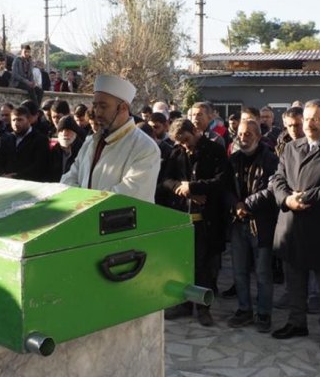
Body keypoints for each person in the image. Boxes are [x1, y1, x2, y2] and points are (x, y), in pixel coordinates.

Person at [269, 99, 320, 353]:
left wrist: (305, 198)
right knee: (294, 281)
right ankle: (297, 322)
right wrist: (287, 199)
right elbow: (278, 179)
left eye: (316, 119)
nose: (310, 123)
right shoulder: (291, 147)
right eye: (307, 118)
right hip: (292, 225)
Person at [161, 118, 230, 326]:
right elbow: (166, 180)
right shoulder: (176, 153)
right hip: (182, 217)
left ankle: (202, 308)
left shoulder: (214, 151)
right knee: (182, 264)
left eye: (187, 140)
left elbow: (222, 180)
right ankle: (183, 303)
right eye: (180, 142)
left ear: (195, 131)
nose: (185, 145)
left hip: (206, 220)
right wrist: (183, 190)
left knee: (203, 266)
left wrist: (194, 187)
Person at [61, 75, 161, 202]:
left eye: (103, 106)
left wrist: (82, 202)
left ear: (123, 108)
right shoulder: (90, 142)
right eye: (95, 106)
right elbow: (68, 180)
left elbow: (127, 197)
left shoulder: (145, 148)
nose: (97, 112)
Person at [226, 119, 279, 333]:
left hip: (262, 224)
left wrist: (246, 204)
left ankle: (264, 313)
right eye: (240, 133)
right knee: (239, 270)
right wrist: (235, 204)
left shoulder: (271, 159)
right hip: (238, 222)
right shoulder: (233, 159)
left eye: (248, 134)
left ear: (258, 136)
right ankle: (244, 309)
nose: (243, 137)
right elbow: (225, 187)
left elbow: (272, 188)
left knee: (263, 273)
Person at [0, 106, 51, 181]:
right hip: (5, 181)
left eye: (20, 120)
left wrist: (16, 177)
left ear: (29, 120)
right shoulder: (7, 138)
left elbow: (39, 166)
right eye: (13, 120)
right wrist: (2, 175)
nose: (16, 123)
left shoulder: (40, 139)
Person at [47, 115, 84, 182]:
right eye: (61, 130)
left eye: (68, 130)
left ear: (75, 133)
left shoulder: (82, 150)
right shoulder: (54, 151)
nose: (64, 133)